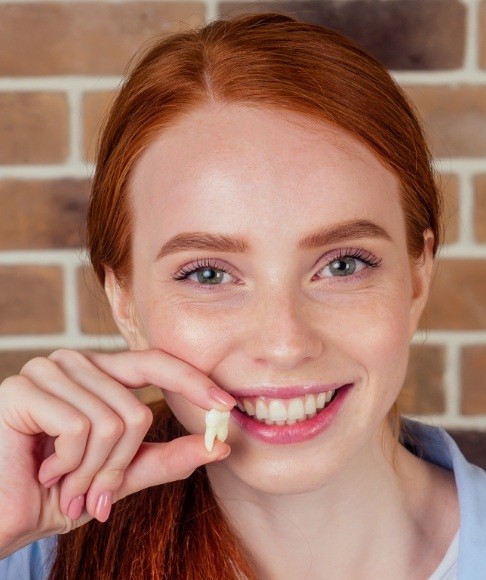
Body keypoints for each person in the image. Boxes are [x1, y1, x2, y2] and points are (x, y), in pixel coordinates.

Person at [1, 11, 485, 580]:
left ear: (418, 275)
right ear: (124, 301)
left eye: (344, 264)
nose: (284, 344)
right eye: (208, 275)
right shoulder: (26, 554)